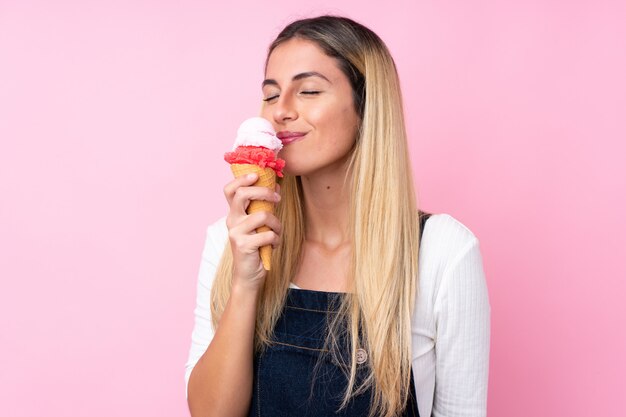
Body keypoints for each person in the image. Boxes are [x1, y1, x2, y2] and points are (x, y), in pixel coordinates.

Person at [185, 15, 490, 417]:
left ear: (366, 108)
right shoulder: (230, 241)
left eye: (309, 90)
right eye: (272, 94)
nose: (281, 111)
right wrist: (245, 283)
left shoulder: (443, 251)